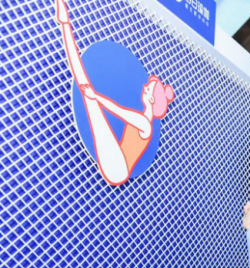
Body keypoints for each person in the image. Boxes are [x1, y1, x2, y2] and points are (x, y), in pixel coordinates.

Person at [56, 0, 175, 187]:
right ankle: (65, 25)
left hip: (119, 168)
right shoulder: (143, 121)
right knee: (85, 89)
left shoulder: (145, 124)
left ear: (151, 99)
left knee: (89, 96)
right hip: (116, 160)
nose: (144, 88)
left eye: (148, 88)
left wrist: (97, 97)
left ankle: (65, 25)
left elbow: (119, 111)